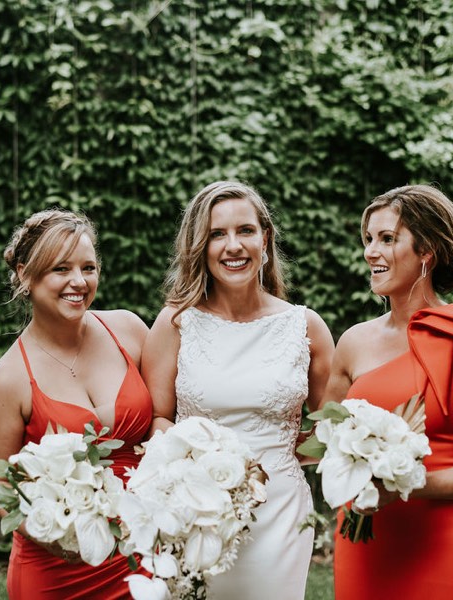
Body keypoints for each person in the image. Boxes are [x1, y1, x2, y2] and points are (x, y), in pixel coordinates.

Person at [325, 184, 453, 599]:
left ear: (427, 252)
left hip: (446, 534)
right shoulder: (352, 343)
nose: (370, 252)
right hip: (366, 537)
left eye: (387, 239)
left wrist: (404, 483)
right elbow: (324, 443)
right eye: (368, 239)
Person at [141, 181, 334, 599]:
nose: (233, 246)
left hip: (279, 514)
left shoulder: (306, 327)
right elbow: (158, 418)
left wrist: (282, 460)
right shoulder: (175, 323)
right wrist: (184, 477)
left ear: (265, 238)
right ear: (199, 246)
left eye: (245, 230)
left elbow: (328, 426)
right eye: (216, 234)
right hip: (195, 515)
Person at [0, 209, 152, 600]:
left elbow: (165, 418)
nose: (78, 281)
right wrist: (57, 537)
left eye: (88, 267)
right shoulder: (7, 381)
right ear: (25, 274)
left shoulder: (130, 330)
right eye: (61, 269)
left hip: (143, 554)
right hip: (59, 573)